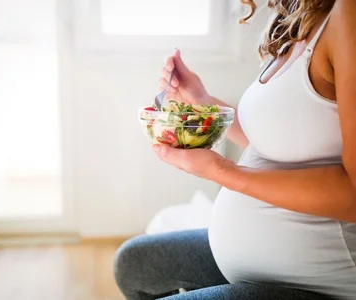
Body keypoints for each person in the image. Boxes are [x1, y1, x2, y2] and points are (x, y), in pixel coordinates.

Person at [114, 0, 356, 299]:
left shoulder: (348, 14)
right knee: (135, 264)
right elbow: (275, 138)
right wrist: (200, 98)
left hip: (319, 282)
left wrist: (221, 171)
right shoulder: (299, 18)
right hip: (262, 265)